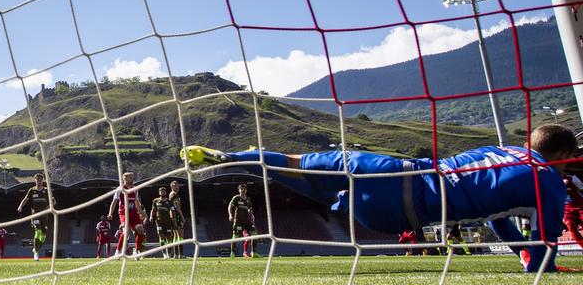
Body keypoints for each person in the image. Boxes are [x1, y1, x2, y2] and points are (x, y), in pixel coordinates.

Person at [180, 124, 579, 272]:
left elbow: (499, 213)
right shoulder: (548, 181)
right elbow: (541, 248)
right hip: (404, 210)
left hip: (392, 169)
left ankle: (240, 159)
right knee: (339, 197)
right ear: (562, 157)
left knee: (296, 162)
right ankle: (253, 165)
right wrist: (532, 259)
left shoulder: (501, 148)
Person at [107, 172, 146, 259]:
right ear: (125, 179)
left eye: (133, 177)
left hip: (133, 213)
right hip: (123, 213)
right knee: (126, 232)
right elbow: (114, 202)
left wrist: (142, 214)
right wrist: (110, 213)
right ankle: (118, 251)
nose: (132, 179)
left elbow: (137, 203)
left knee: (141, 230)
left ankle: (136, 250)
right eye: (130, 178)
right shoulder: (120, 189)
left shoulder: (135, 189)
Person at [17, 173, 54, 261]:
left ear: (43, 180)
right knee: (38, 232)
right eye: (37, 179)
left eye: (40, 179)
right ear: (35, 180)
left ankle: (35, 249)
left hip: (44, 216)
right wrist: (20, 206)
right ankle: (36, 254)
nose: (39, 181)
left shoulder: (46, 190)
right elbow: (26, 199)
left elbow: (53, 201)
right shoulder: (32, 190)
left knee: (43, 236)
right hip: (35, 215)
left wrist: (48, 208)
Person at [227, 184, 257, 258]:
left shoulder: (248, 199)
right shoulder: (236, 198)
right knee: (235, 236)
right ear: (239, 190)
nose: (243, 190)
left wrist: (251, 213)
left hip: (248, 221)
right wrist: (230, 215)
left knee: (255, 235)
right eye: (241, 189)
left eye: (244, 189)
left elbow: (250, 208)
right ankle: (232, 253)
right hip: (239, 221)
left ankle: (254, 253)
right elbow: (230, 206)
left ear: (246, 190)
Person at [149, 187, 176, 259]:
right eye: (161, 192)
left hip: (168, 222)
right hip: (159, 222)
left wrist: (174, 220)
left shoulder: (169, 202)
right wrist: (151, 216)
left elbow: (173, 211)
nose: (162, 193)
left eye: (163, 192)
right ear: (159, 193)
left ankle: (169, 252)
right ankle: (164, 254)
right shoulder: (156, 201)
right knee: (161, 237)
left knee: (169, 238)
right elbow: (153, 209)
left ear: (166, 193)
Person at [563, 172, 583, 249]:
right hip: (566, 210)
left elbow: (581, 188)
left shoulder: (572, 178)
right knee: (571, 228)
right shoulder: (552, 181)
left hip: (580, 207)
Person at [168, 180, 186, 259]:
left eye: (178, 185)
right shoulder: (174, 195)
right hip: (177, 216)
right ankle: (180, 254)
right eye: (175, 185)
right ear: (171, 186)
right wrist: (182, 217)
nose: (177, 187)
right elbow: (177, 207)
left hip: (173, 217)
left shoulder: (171, 194)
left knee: (176, 236)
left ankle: (176, 255)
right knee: (180, 236)